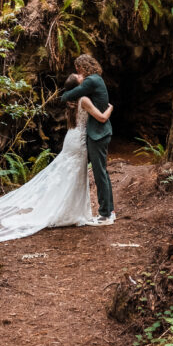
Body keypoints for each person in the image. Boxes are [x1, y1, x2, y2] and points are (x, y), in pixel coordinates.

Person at [0, 74, 113, 242]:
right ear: (78, 85)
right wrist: (110, 108)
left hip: (71, 138)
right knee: (73, 174)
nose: (82, 76)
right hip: (78, 141)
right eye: (79, 77)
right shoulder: (84, 99)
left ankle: (66, 207)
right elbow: (101, 117)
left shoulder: (72, 102)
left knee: (68, 173)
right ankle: (67, 210)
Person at [60, 54, 114, 225]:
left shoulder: (90, 82)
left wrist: (65, 96)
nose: (78, 72)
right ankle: (109, 211)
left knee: (100, 174)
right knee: (102, 173)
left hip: (97, 133)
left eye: (78, 69)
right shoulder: (97, 80)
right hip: (99, 132)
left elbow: (67, 96)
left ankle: (105, 215)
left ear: (82, 67)